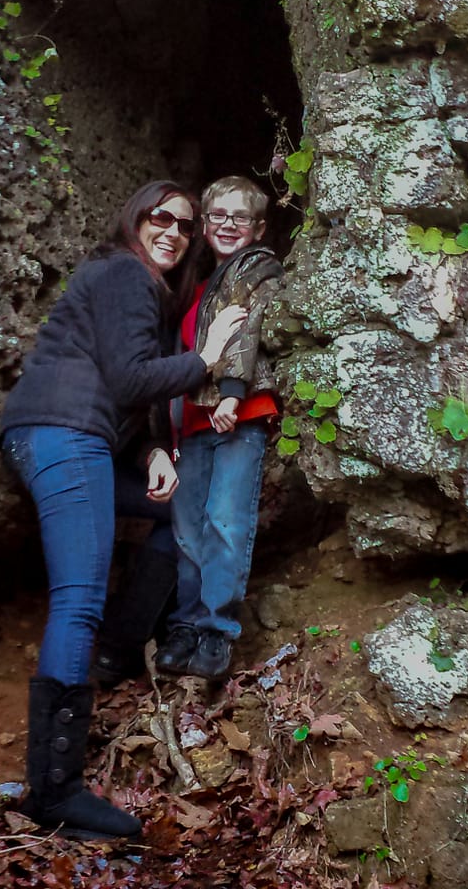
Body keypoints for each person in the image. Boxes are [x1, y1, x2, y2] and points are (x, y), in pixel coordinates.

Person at [0, 180, 247, 840]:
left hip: (80, 438)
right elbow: (132, 379)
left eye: (184, 224)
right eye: (157, 217)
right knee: (77, 597)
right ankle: (55, 791)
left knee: (179, 514)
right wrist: (209, 356)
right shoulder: (121, 272)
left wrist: (150, 455)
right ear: (133, 218)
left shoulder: (139, 289)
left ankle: (115, 649)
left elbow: (119, 389)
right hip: (63, 434)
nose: (171, 230)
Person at [155, 176, 284, 681]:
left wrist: (232, 389)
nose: (228, 224)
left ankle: (215, 630)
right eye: (218, 215)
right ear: (204, 224)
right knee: (188, 532)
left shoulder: (257, 267)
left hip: (239, 413)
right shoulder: (198, 285)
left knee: (226, 523)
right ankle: (184, 626)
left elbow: (247, 328)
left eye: (240, 217)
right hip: (190, 423)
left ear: (258, 227)